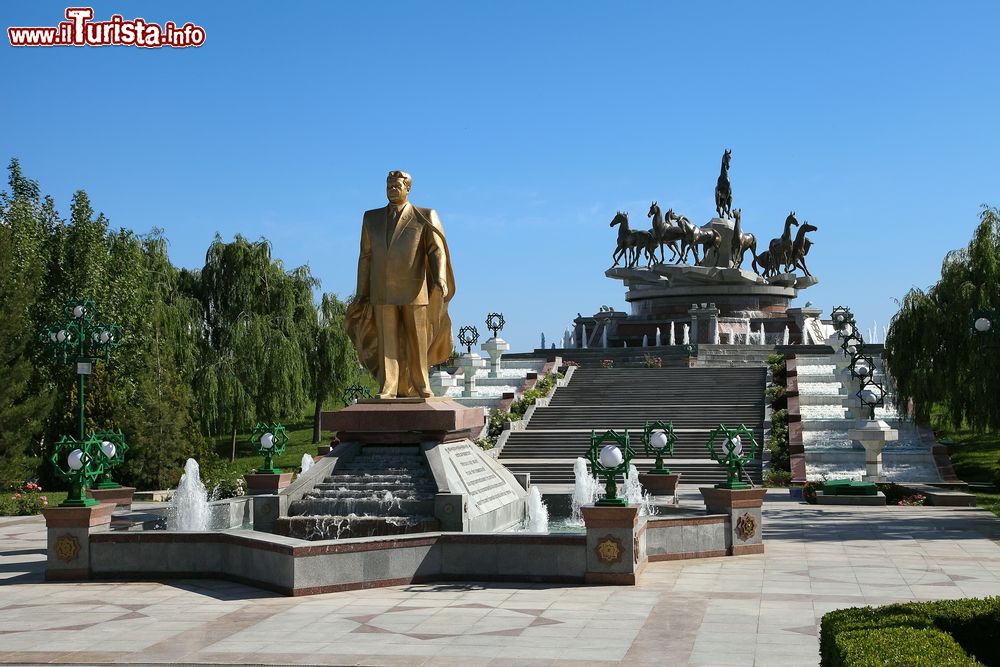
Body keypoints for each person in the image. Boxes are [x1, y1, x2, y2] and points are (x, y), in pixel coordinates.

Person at [345, 171, 456, 399]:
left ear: (407, 189)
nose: (392, 190)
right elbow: (365, 256)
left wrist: (440, 279)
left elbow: (436, 250)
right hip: (381, 290)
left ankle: (421, 383)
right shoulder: (371, 218)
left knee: (418, 340)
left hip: (414, 290)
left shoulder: (423, 215)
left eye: (396, 186)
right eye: (389, 186)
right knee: (387, 341)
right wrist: (361, 291)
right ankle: (389, 386)